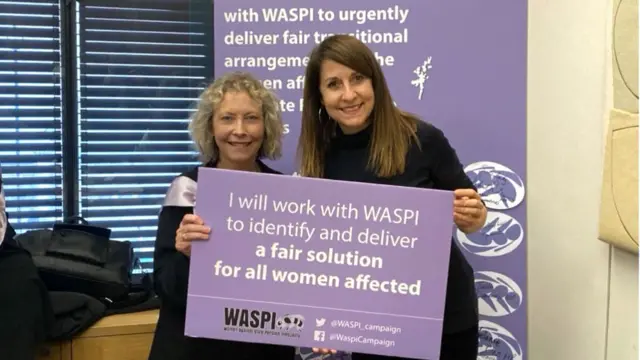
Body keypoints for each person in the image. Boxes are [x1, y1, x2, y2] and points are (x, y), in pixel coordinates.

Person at [298, 35, 488, 360]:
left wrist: (474, 216)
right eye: (333, 84)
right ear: (320, 96)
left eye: (357, 78)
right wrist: (322, 317)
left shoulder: (422, 138)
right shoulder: (320, 156)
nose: (348, 94)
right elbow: (324, 252)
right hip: (373, 324)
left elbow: (474, 212)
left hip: (444, 317)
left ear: (375, 81)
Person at [148, 71, 295, 360]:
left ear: (266, 126)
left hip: (263, 348)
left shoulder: (285, 194)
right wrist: (187, 256)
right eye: (227, 118)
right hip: (196, 349)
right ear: (211, 126)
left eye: (251, 118)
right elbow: (167, 288)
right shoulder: (187, 191)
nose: (239, 130)